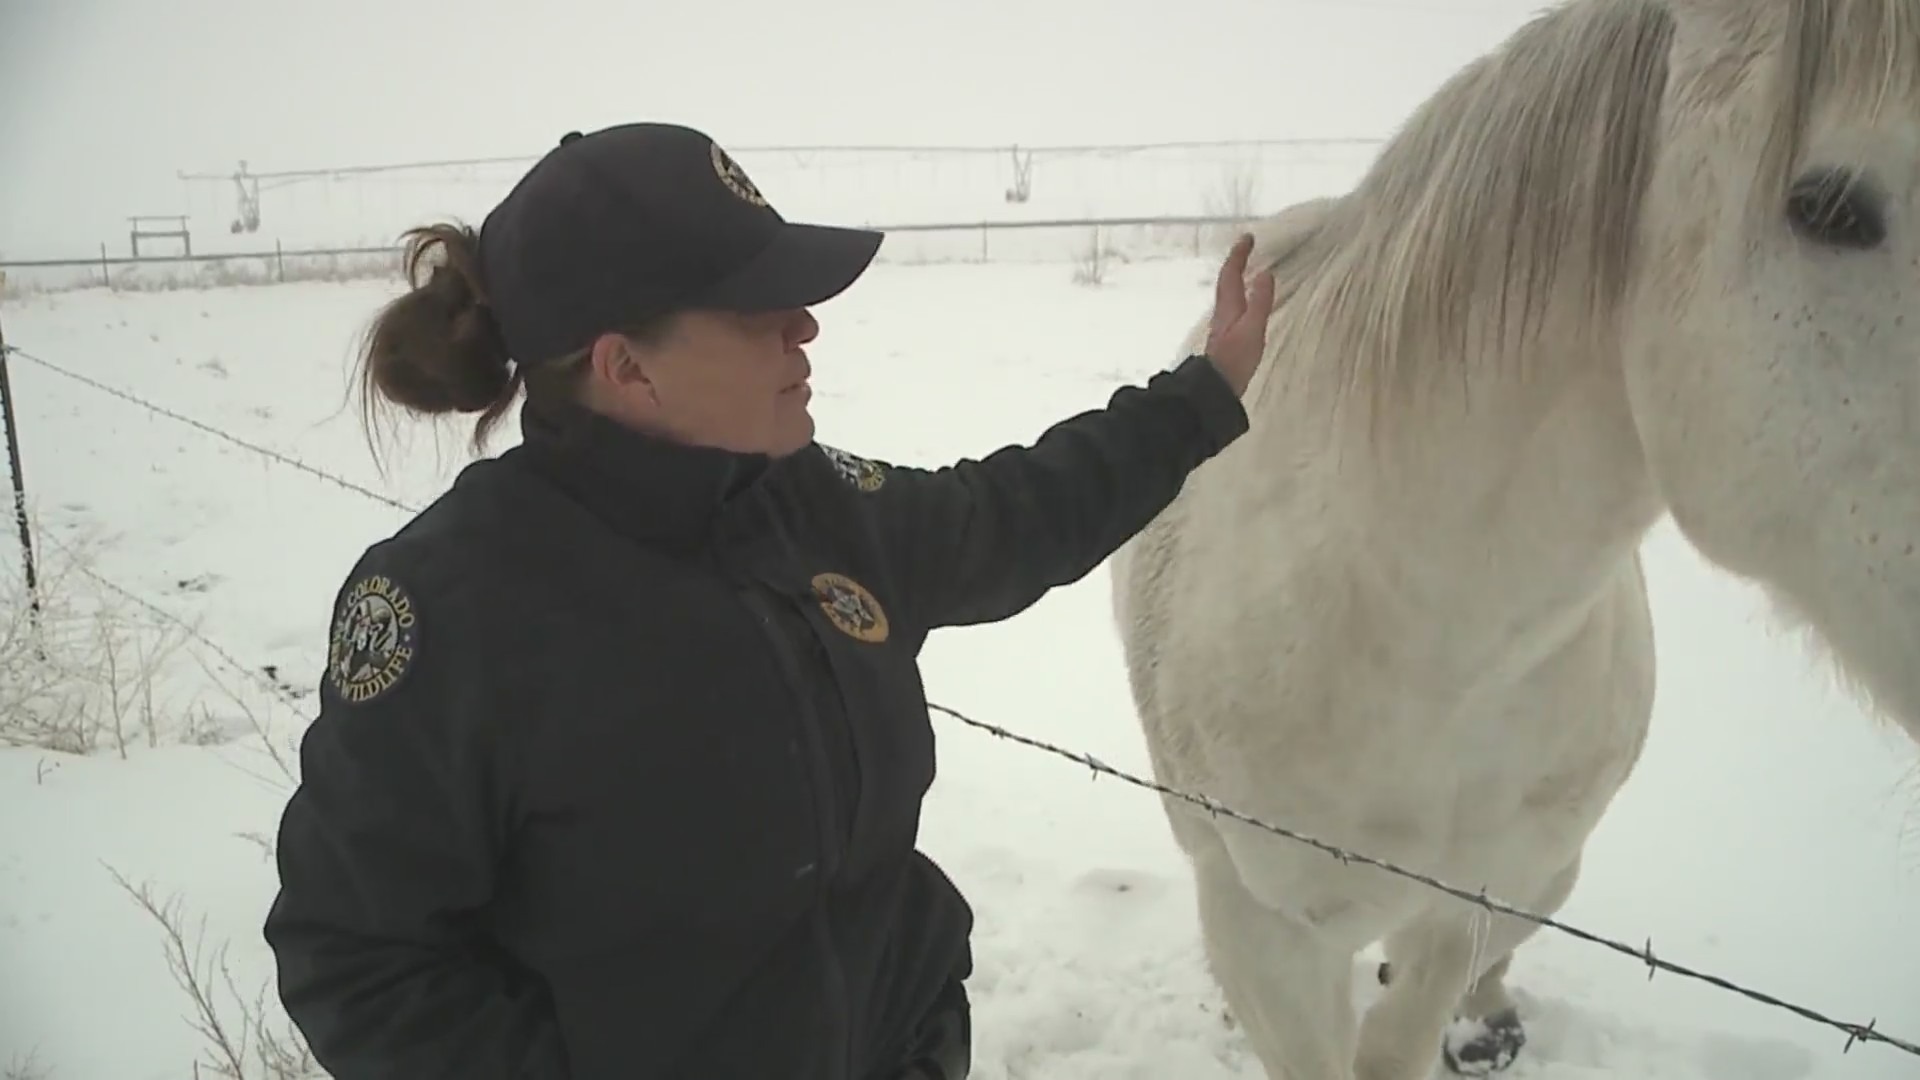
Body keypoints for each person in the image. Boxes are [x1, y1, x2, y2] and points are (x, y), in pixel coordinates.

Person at [262, 121, 1278, 1080]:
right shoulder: (454, 606)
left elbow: (1009, 515)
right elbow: (357, 956)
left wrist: (1205, 392)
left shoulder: (809, 505)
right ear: (626, 366)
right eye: (756, 309)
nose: (806, 326)